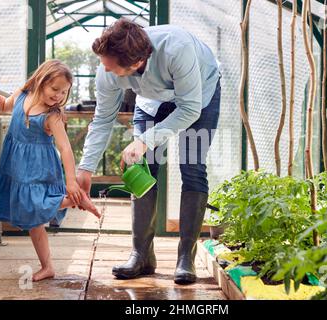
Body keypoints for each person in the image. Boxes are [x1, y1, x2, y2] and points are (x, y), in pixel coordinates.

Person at [77, 18, 221, 285]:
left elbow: (189, 109)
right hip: (152, 102)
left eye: (109, 65)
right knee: (141, 165)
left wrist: (144, 141)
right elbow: (102, 119)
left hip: (198, 97)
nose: (103, 68)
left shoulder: (177, 49)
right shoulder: (107, 67)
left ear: (135, 64)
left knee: (192, 167)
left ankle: (185, 258)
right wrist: (86, 167)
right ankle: (141, 255)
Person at [0, 60, 101, 282]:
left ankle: (74, 200)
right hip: (16, 166)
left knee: (33, 205)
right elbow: (3, 106)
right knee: (34, 221)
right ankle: (48, 267)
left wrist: (71, 181)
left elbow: (65, 148)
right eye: (55, 89)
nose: (58, 96)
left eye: (64, 92)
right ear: (40, 81)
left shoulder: (52, 115)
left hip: (38, 168)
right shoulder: (23, 94)